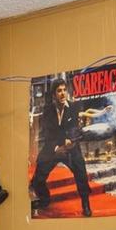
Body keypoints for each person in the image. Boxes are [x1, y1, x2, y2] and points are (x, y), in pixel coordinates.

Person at [29, 79, 92, 216]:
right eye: (59, 91)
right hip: (53, 147)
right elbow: (47, 132)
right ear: (53, 95)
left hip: (71, 148)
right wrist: (56, 148)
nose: (63, 93)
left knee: (81, 174)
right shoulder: (48, 110)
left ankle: (86, 205)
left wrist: (70, 141)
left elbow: (74, 129)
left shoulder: (74, 108)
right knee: (38, 176)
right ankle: (45, 199)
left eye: (64, 90)